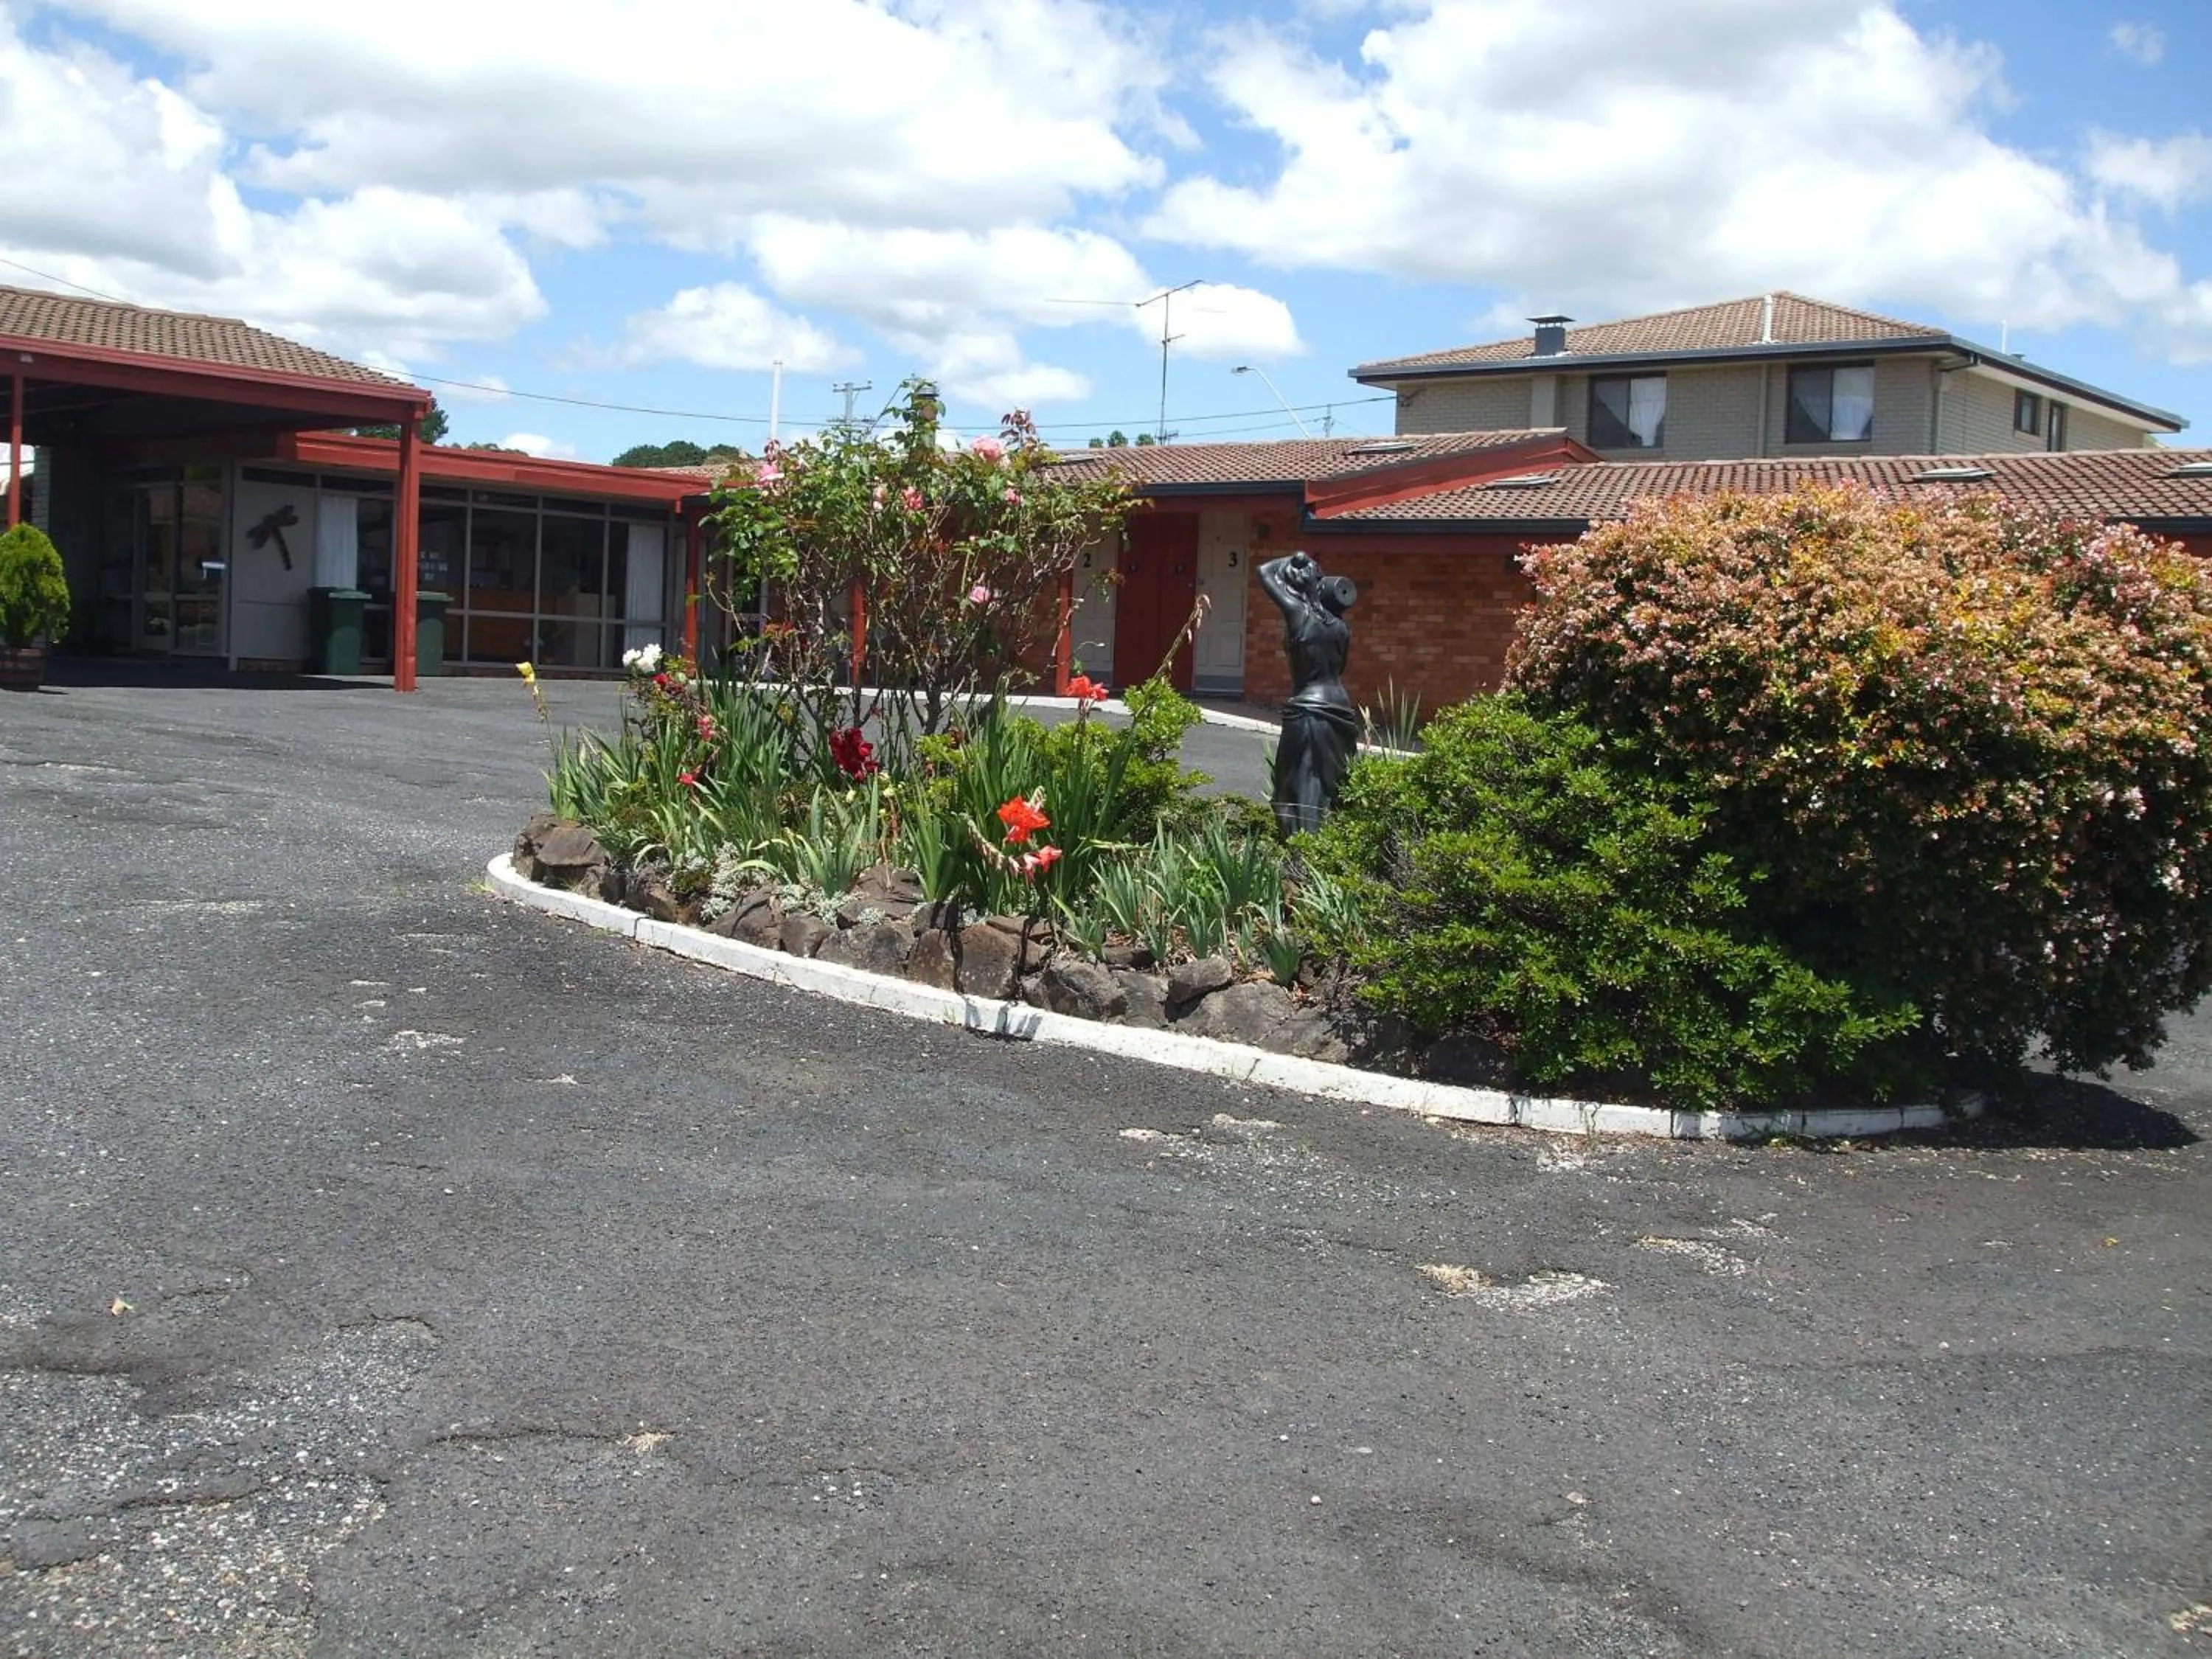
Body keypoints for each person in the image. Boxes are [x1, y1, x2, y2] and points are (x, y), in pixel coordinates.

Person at [1258, 550, 1360, 835]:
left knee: (1288, 792)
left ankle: (1300, 856)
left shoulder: (1299, 614)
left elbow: (1264, 571)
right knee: (1328, 786)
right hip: (1340, 708)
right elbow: (1340, 667)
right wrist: (1313, 571)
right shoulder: (1341, 628)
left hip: (1308, 709)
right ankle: (1325, 849)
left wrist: (1299, 559)